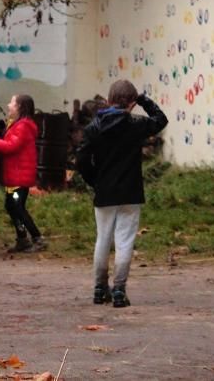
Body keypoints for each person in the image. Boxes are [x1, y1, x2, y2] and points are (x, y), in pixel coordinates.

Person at [76, 80, 168, 308]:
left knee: (103, 239)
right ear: (132, 104)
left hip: (104, 191)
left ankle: (99, 288)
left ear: (108, 100)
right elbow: (161, 120)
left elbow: (81, 160)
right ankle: (119, 289)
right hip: (130, 191)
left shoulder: (93, 128)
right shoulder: (136, 124)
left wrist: (94, 180)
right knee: (125, 241)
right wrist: (144, 100)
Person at [0, 94, 45, 252]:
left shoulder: (22, 126)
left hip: (20, 177)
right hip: (15, 175)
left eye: (12, 103)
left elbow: (10, 146)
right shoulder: (16, 125)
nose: (8, 105)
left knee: (16, 206)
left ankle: (37, 238)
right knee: (12, 206)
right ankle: (22, 237)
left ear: (20, 108)